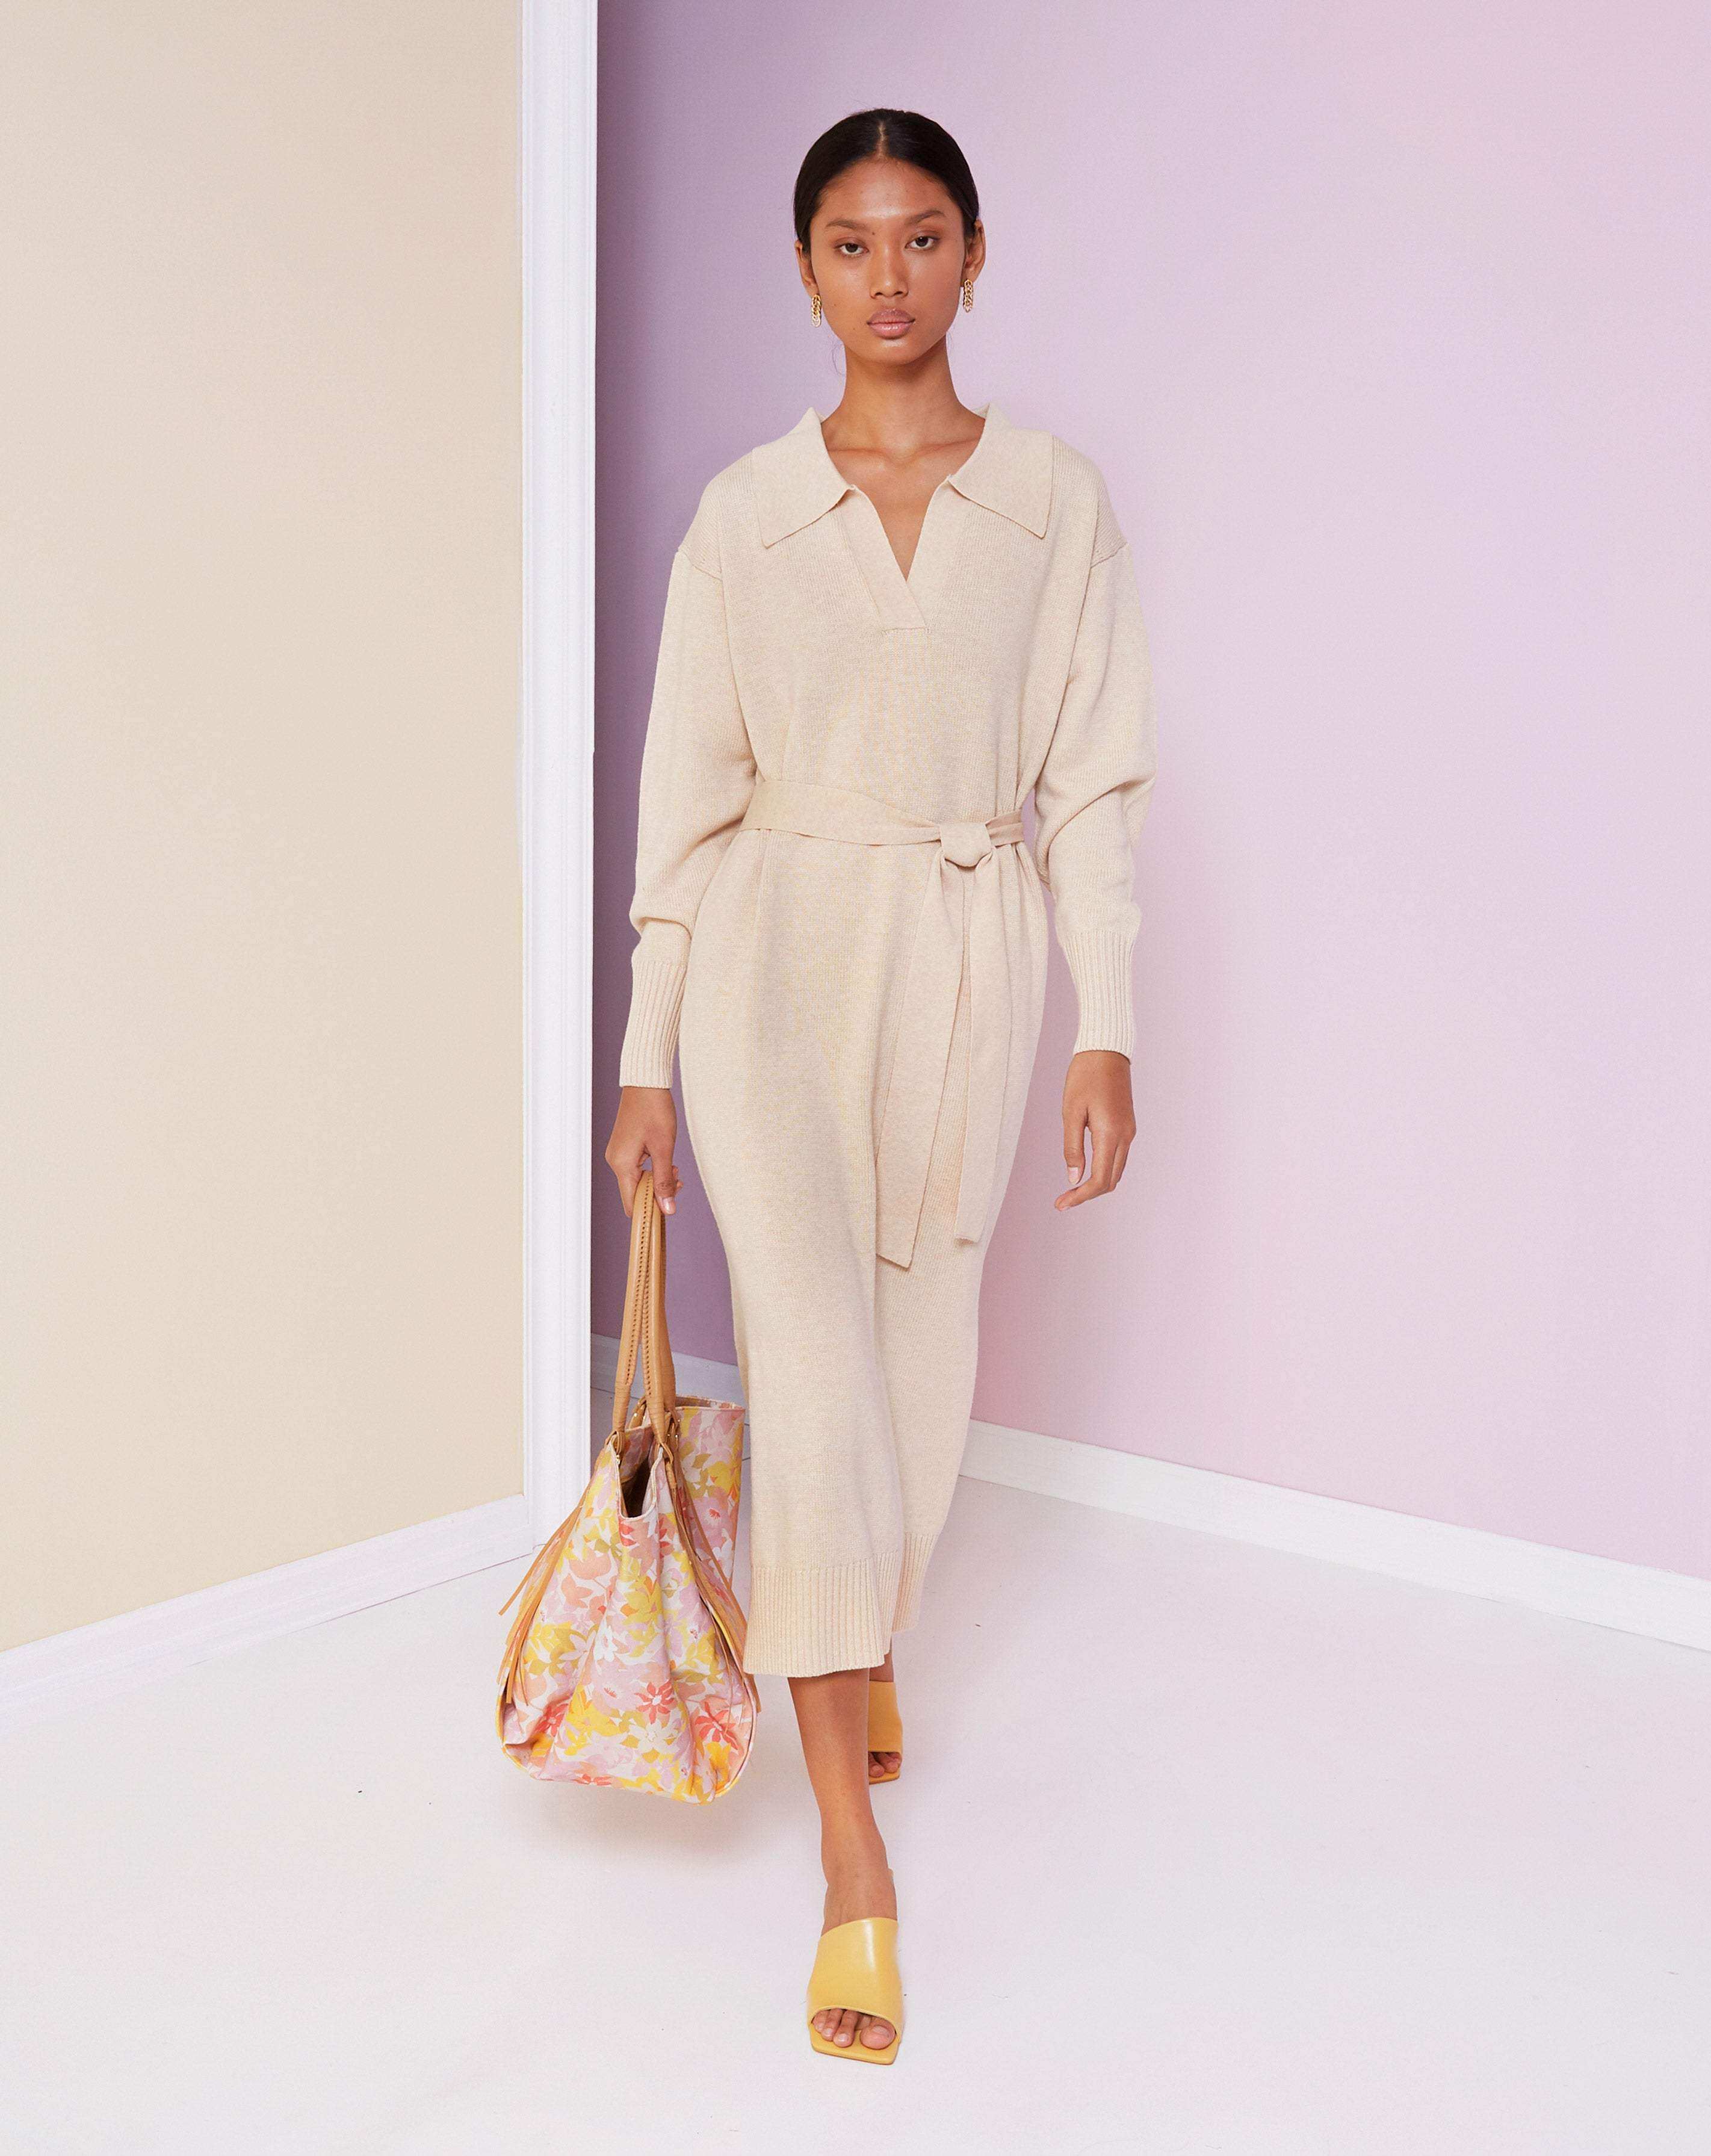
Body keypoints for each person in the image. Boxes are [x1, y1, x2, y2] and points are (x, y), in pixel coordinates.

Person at [604, 107, 1156, 2064]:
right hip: (771, 974)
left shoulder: (1055, 507)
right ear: (806, 269)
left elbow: (1091, 785)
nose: (889, 276)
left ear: (975, 257)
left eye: (922, 238)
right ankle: (851, 1857)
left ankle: (861, 1626)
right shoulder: (746, 518)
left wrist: (1103, 1022)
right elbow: (686, 809)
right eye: (851, 243)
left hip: (962, 970)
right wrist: (645, 1062)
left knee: (918, 1389)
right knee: (819, 1383)